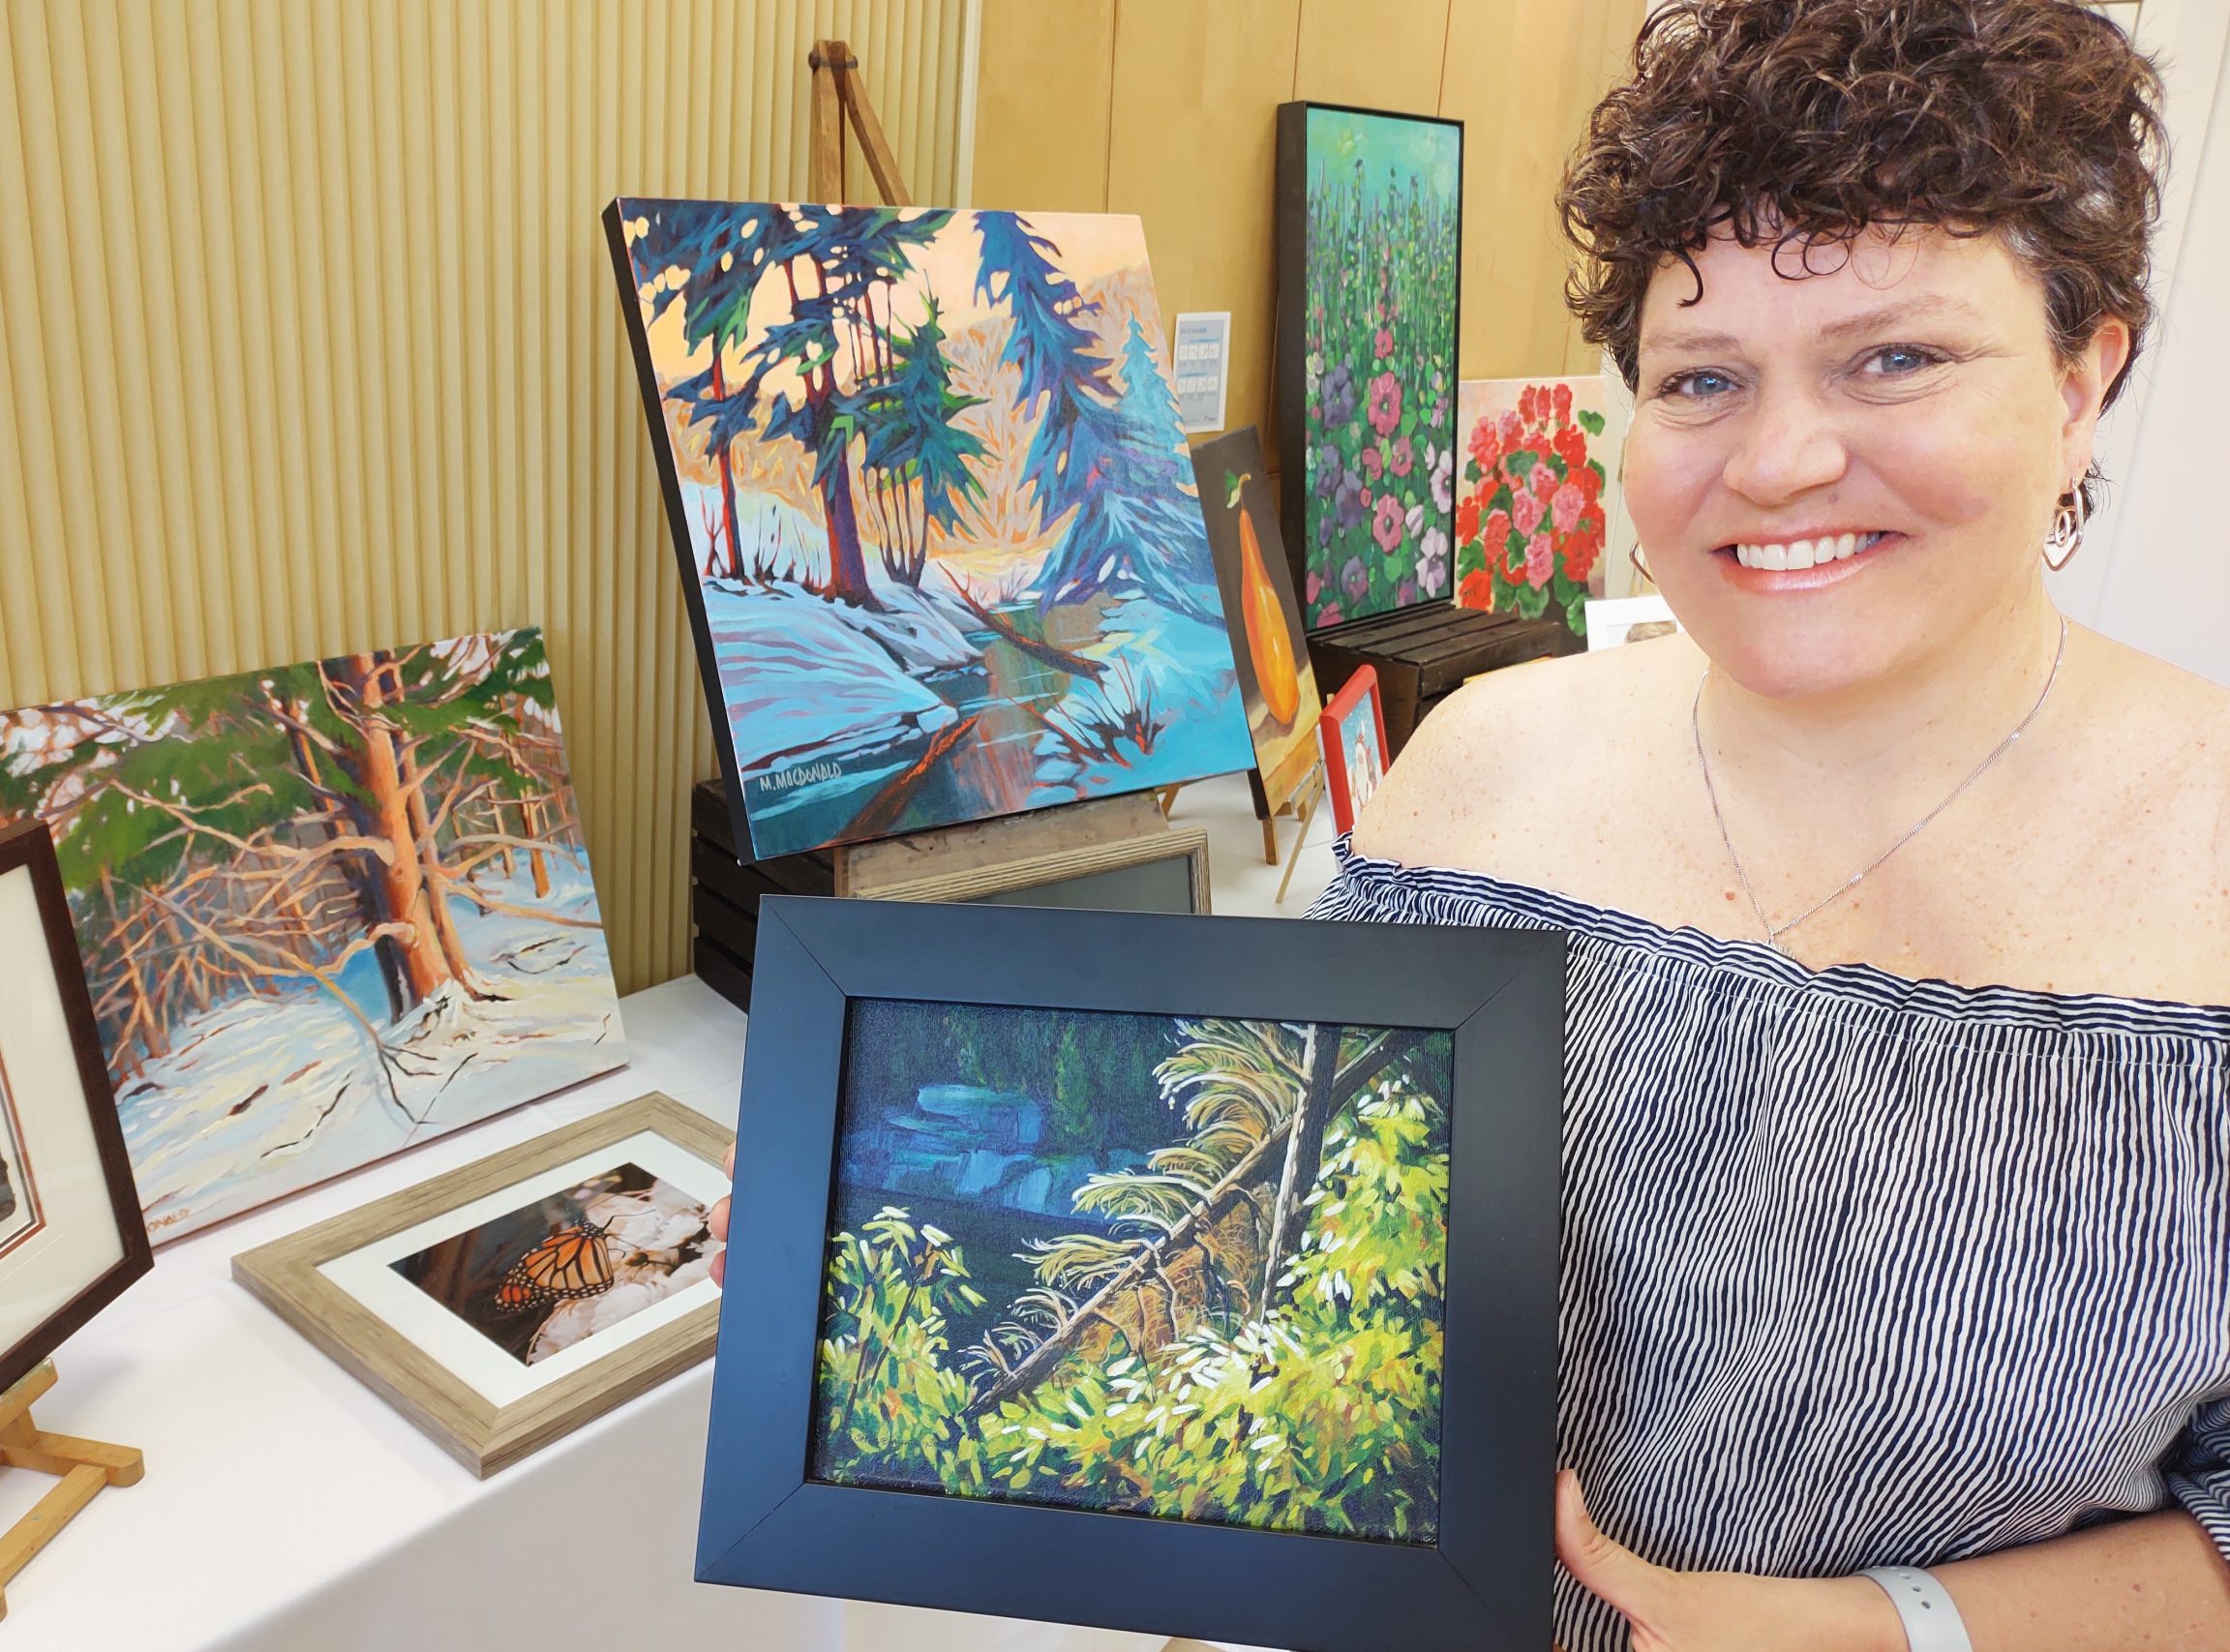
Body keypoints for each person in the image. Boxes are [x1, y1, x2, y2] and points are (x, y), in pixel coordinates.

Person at [714, 3, 2230, 1646]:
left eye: (1897, 356)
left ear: (2089, 375)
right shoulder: (1481, 771)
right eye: (1702, 377)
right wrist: (864, 1225)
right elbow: (1268, 1230)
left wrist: (1882, 1631)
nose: (1783, 459)